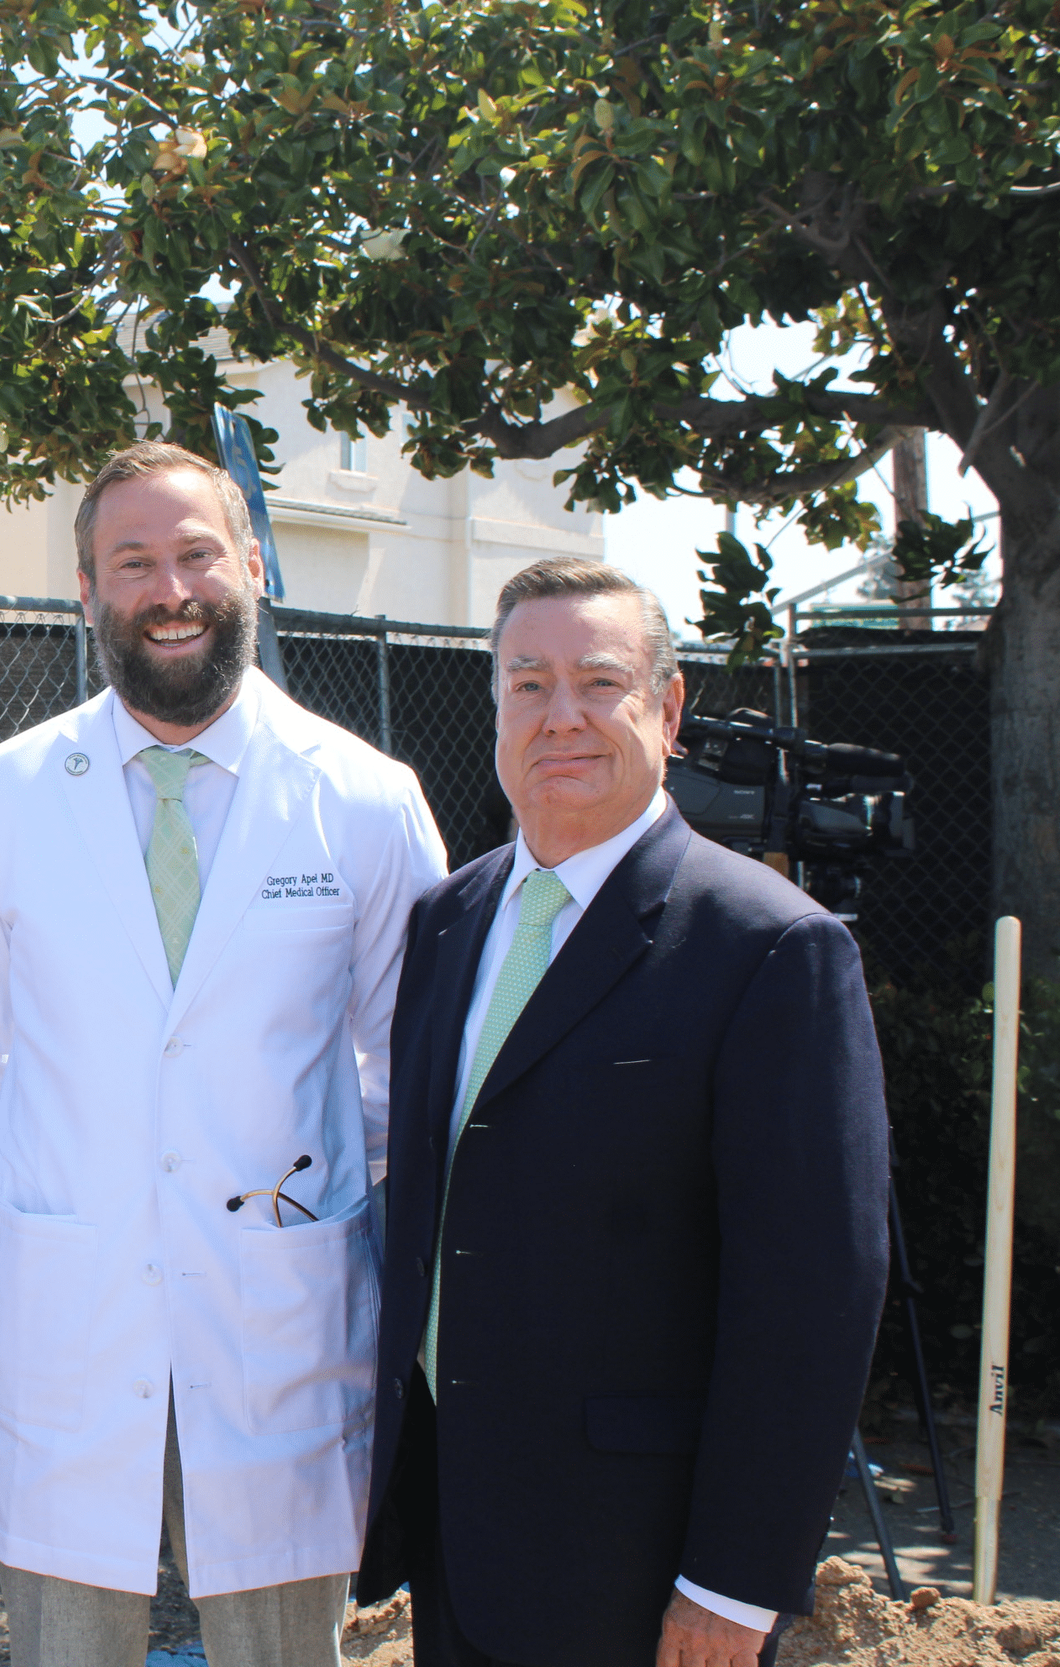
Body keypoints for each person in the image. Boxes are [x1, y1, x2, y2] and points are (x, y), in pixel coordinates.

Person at [0, 440, 447, 1667]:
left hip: (280, 1313)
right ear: (85, 589)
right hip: (75, 1306)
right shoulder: (6, 792)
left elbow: (400, 1069)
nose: (169, 588)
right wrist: (105, 1182)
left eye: (196, 554)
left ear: (252, 565)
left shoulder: (365, 798)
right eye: (133, 562)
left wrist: (276, 1188)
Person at [356, 557, 891, 1667]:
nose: (561, 717)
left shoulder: (767, 947)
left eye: (599, 681)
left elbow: (810, 1293)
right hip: (458, 1533)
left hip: (643, 1565)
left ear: (668, 704)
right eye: (527, 684)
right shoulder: (447, 923)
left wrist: (735, 1580)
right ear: (494, 705)